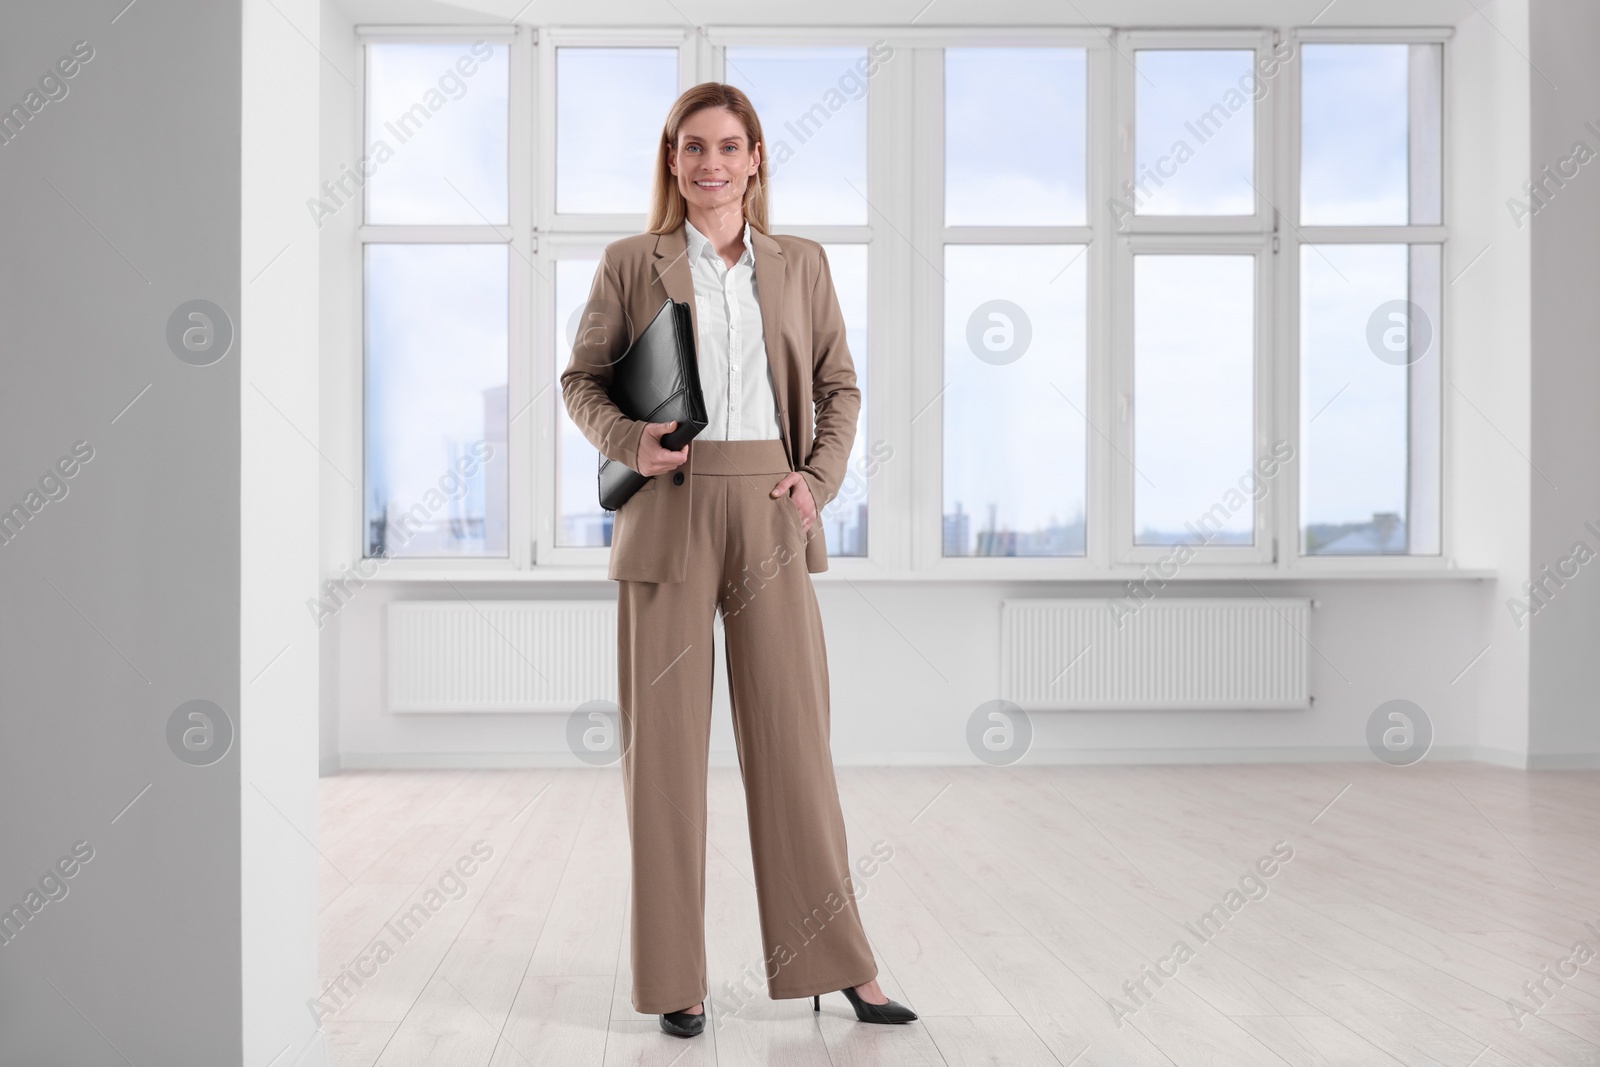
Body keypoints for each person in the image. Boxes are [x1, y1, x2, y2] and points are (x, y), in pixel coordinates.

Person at [559, 82, 917, 1039]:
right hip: (667, 511)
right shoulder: (632, 261)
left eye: (728, 146)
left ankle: (840, 962)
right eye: (692, 148)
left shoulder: (802, 264)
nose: (710, 164)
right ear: (672, 161)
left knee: (795, 746)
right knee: (664, 763)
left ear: (757, 157)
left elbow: (838, 385)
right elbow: (581, 378)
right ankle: (676, 978)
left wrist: (818, 481)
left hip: (771, 508)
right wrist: (631, 440)